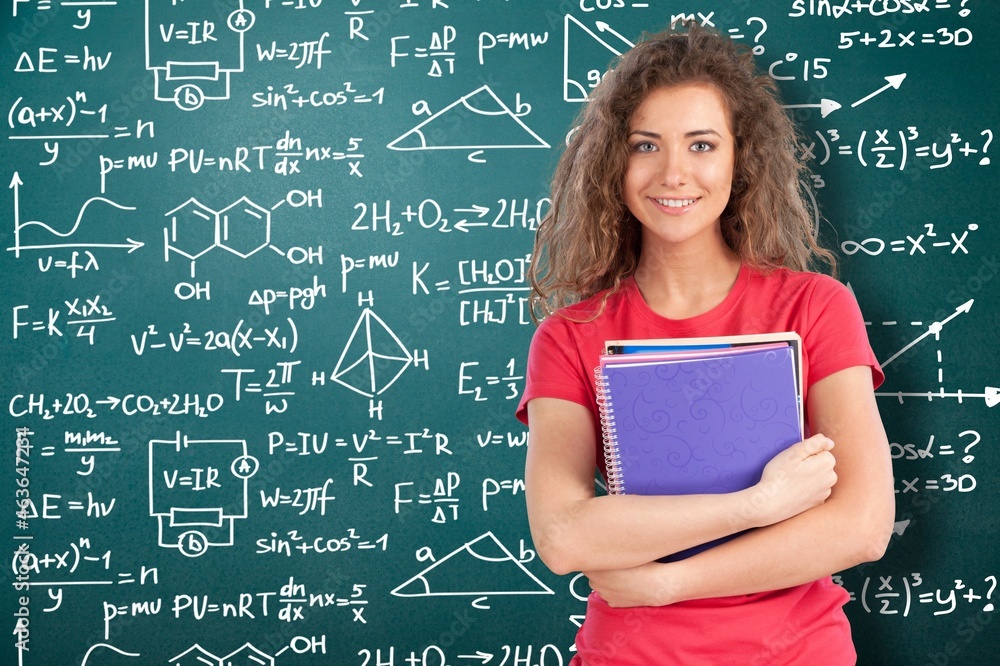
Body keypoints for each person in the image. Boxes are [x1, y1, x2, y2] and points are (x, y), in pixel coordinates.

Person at [515, 24, 895, 665]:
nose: (674, 173)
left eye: (701, 144)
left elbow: (861, 527)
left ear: (738, 160)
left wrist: (669, 581)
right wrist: (757, 505)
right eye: (645, 145)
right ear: (615, 161)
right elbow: (562, 535)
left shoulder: (815, 307)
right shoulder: (571, 337)